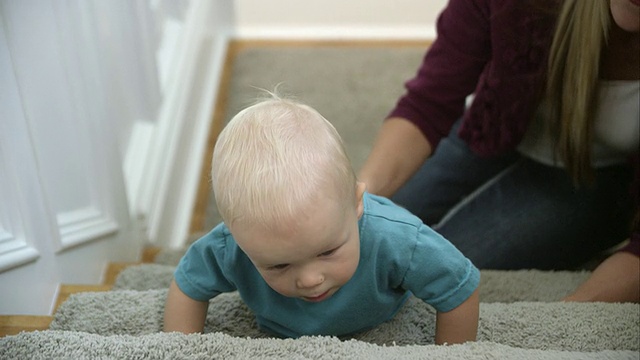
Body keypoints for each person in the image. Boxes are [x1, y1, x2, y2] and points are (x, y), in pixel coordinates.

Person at [358, 0, 639, 295]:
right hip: (492, 130)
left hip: (600, 179)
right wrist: (357, 197)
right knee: (372, 227)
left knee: (430, 266)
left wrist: (569, 317)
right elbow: (429, 101)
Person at [163, 96, 480, 344]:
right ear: (236, 235)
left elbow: (459, 285)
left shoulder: (397, 239)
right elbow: (189, 285)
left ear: (356, 204)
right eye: (279, 265)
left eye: (327, 252)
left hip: (380, 320)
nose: (310, 279)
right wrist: (182, 346)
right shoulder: (229, 246)